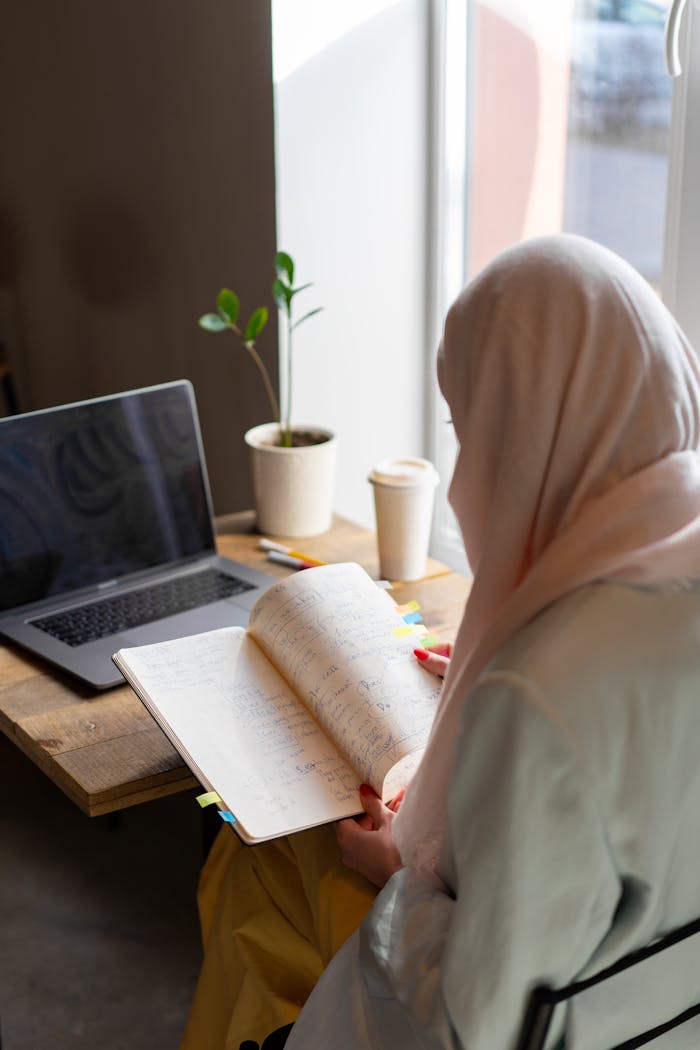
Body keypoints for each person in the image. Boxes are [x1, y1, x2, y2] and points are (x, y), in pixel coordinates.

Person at [185, 233, 700, 1049]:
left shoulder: (540, 696)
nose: (460, 481)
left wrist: (400, 877)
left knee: (256, 865)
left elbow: (475, 1024)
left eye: (468, 433)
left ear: (530, 444)